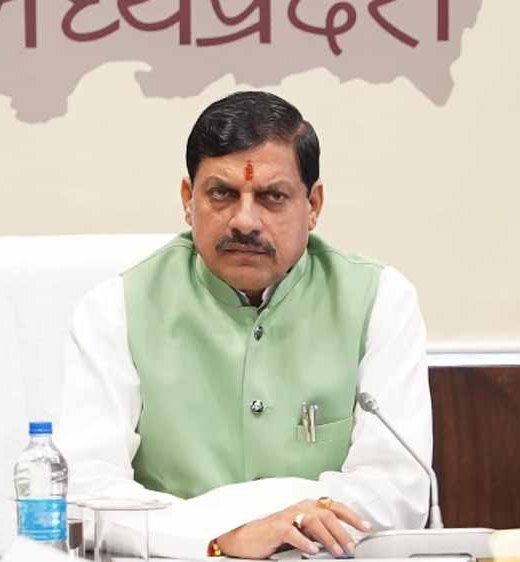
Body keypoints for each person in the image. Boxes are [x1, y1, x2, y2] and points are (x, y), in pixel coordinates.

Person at [58, 91, 432, 559]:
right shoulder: (116, 308)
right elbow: (85, 493)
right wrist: (219, 540)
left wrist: (273, 523)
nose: (245, 221)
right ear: (187, 200)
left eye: (273, 197)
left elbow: (399, 489)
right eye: (222, 194)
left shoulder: (380, 299)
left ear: (313, 204)